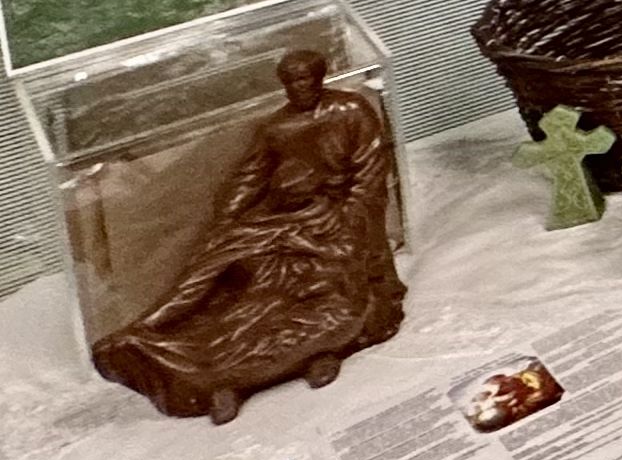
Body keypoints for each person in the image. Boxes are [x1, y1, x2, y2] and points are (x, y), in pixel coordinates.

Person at [92, 51, 405, 422]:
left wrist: (346, 222)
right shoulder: (276, 131)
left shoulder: (350, 110)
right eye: (289, 81)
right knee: (246, 306)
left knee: (334, 309)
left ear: (320, 78)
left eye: (304, 79)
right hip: (282, 252)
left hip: (341, 222)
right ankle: (189, 358)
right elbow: (249, 176)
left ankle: (312, 356)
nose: (297, 88)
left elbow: (369, 171)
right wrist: (228, 220)